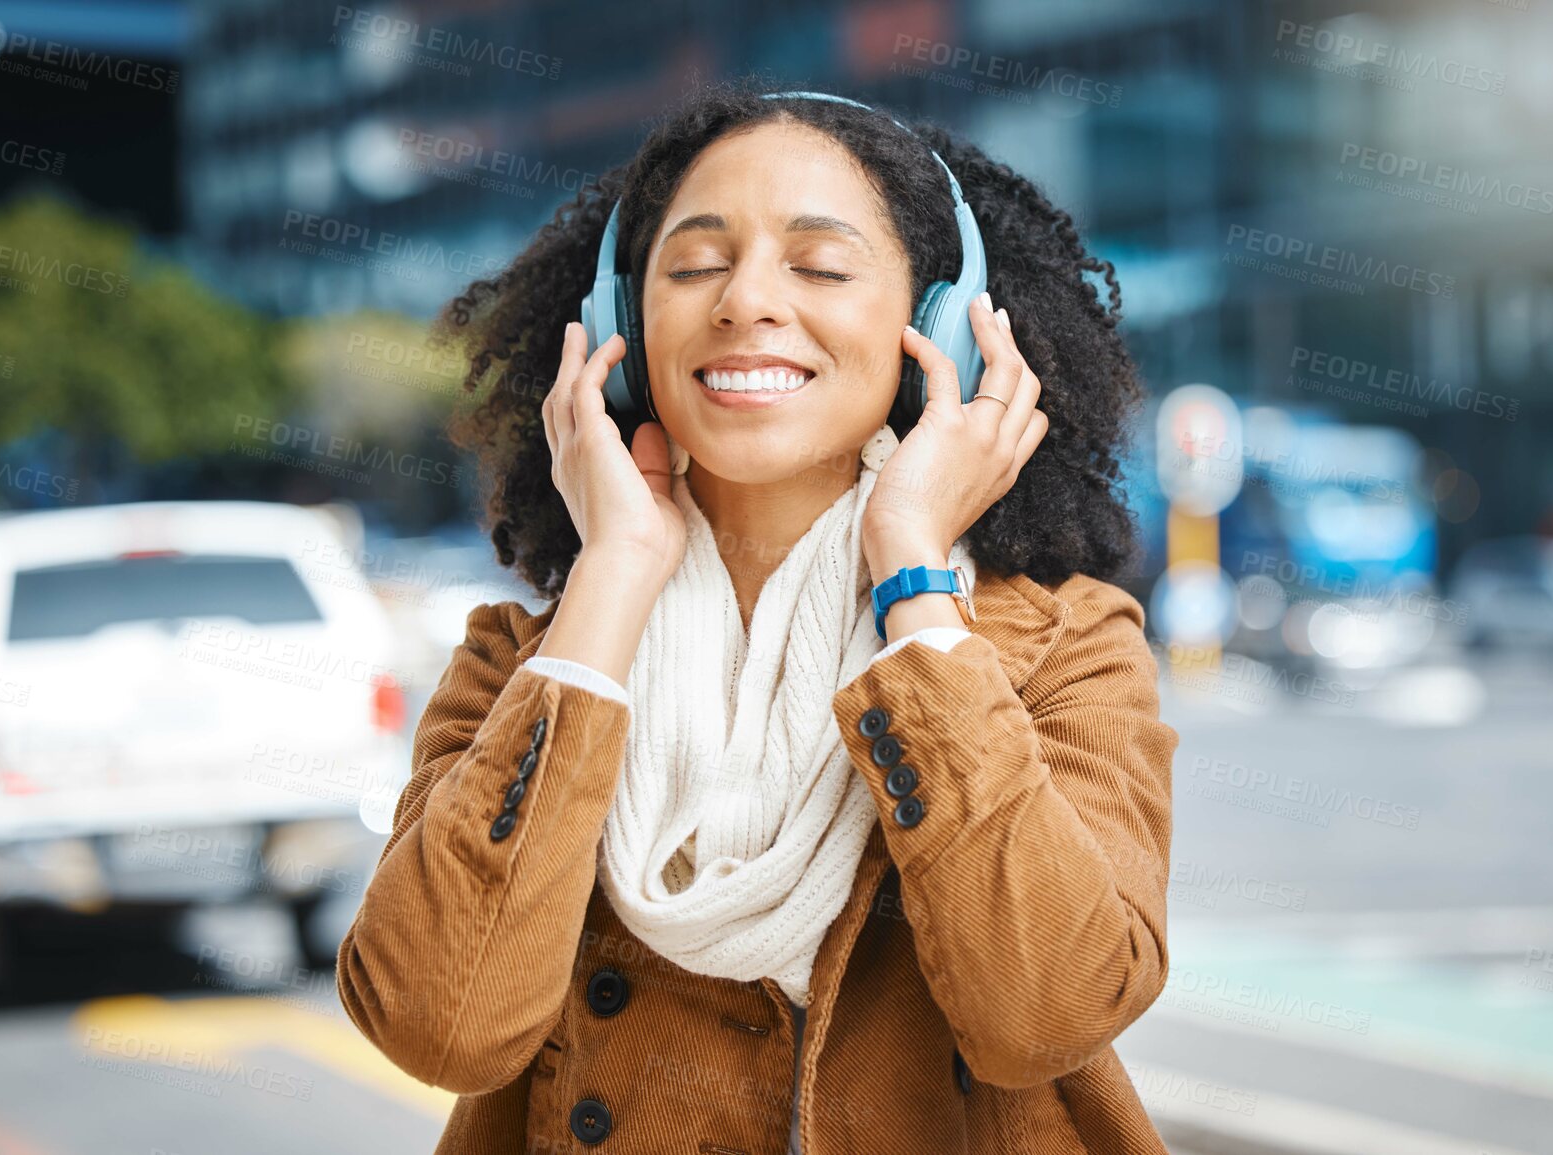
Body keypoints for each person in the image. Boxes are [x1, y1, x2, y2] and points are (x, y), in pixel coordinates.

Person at [336, 77, 1180, 1155]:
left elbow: (1046, 1016)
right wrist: (614, 574)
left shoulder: (1061, 648)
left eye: (820, 265)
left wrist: (912, 574)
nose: (744, 302)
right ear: (618, 330)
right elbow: (439, 1029)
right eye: (693, 266)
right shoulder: (522, 672)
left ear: (943, 329)